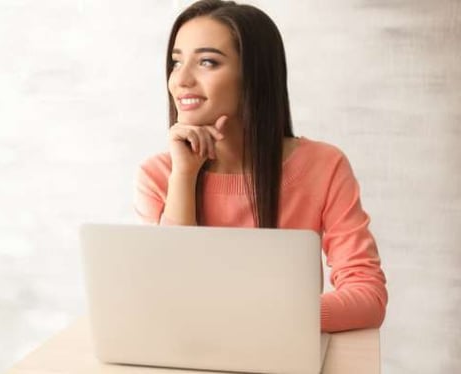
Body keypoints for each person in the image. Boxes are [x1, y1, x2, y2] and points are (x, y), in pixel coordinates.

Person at [134, 0, 387, 333]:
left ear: (254, 76)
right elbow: (167, 299)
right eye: (176, 62)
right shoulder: (159, 175)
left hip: (283, 354)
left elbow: (368, 295)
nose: (181, 80)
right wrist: (184, 175)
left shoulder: (324, 167)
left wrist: (264, 319)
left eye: (207, 62)